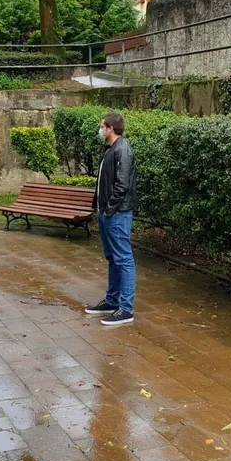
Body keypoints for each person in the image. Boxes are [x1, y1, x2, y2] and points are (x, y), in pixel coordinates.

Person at [85, 112, 137, 326]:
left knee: (123, 259)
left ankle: (125, 309)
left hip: (116, 213)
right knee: (113, 258)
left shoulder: (122, 150)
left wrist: (108, 210)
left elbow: (122, 185)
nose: (100, 130)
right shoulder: (111, 149)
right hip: (108, 212)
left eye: (102, 126)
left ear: (111, 128)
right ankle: (112, 300)